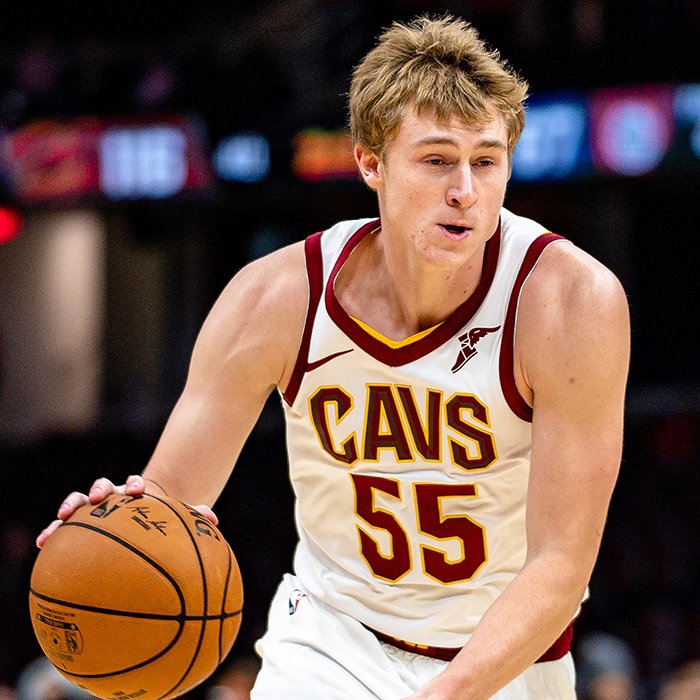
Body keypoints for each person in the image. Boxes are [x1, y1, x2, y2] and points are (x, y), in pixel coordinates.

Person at [37, 14, 630, 700]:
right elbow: (173, 500)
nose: (465, 190)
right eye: (437, 160)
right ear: (371, 162)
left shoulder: (569, 302)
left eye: (487, 161)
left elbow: (562, 561)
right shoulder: (275, 298)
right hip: (330, 644)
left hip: (506, 661)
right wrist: (116, 526)